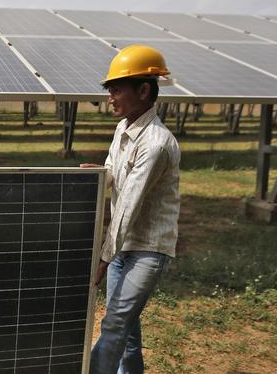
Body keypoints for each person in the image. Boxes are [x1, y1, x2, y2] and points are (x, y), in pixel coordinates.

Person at [81, 44, 181, 374]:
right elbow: (114, 169)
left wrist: (103, 258)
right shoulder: (123, 128)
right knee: (127, 329)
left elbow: (128, 206)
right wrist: (100, 175)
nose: (110, 97)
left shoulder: (156, 143)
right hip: (123, 247)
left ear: (143, 90)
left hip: (147, 250)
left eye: (116, 89)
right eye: (109, 90)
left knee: (113, 327)